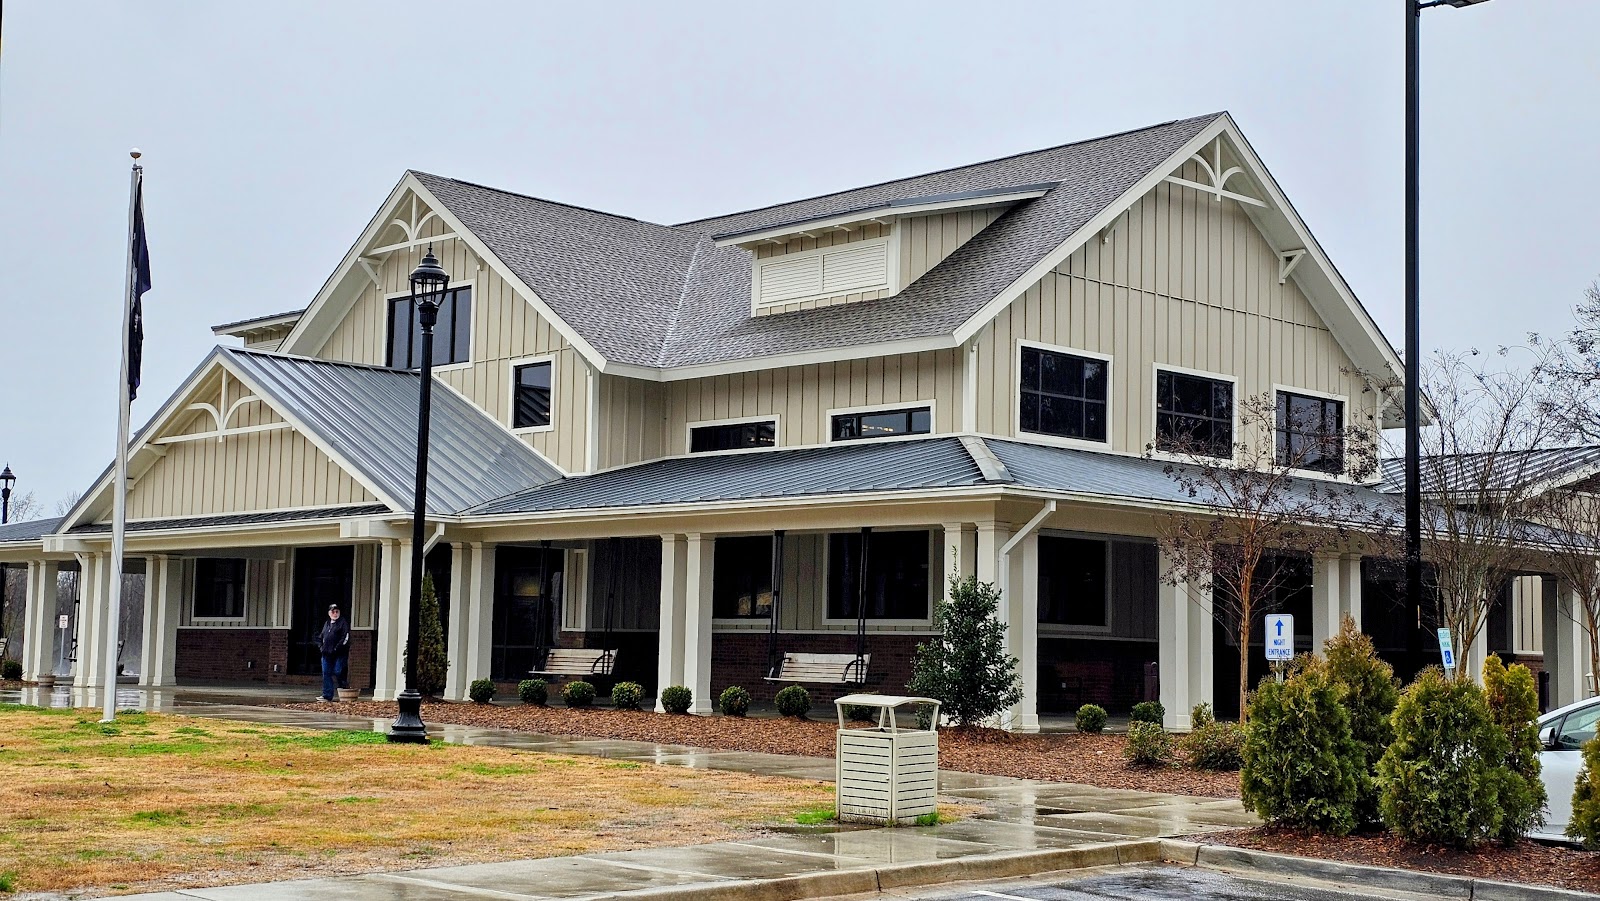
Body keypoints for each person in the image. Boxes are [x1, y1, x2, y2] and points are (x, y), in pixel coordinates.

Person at [318, 604, 350, 702]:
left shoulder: (343, 623)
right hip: (326, 654)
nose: (335, 614)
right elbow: (321, 637)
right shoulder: (327, 623)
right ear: (329, 613)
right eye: (333, 612)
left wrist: (337, 648)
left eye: (337, 612)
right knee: (326, 673)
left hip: (339, 654)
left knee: (338, 671)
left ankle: (343, 686)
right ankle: (327, 695)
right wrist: (321, 647)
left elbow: (345, 637)